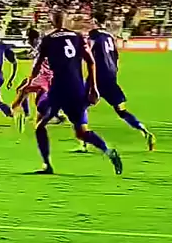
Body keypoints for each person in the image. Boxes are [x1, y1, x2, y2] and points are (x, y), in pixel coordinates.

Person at [29, 10, 123, 175]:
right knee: (82, 132)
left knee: (40, 126)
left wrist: (30, 80)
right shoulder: (77, 37)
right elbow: (91, 62)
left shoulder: (49, 39)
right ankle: (108, 151)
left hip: (58, 89)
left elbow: (38, 64)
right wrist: (93, 87)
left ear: (52, 21)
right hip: (77, 88)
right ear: (66, 21)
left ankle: (47, 165)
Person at [86, 12, 155, 150]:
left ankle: (83, 144)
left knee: (81, 107)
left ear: (95, 21)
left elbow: (88, 51)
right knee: (121, 111)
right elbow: (116, 57)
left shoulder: (93, 35)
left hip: (97, 76)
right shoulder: (110, 36)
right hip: (110, 77)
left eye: (91, 21)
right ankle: (144, 131)